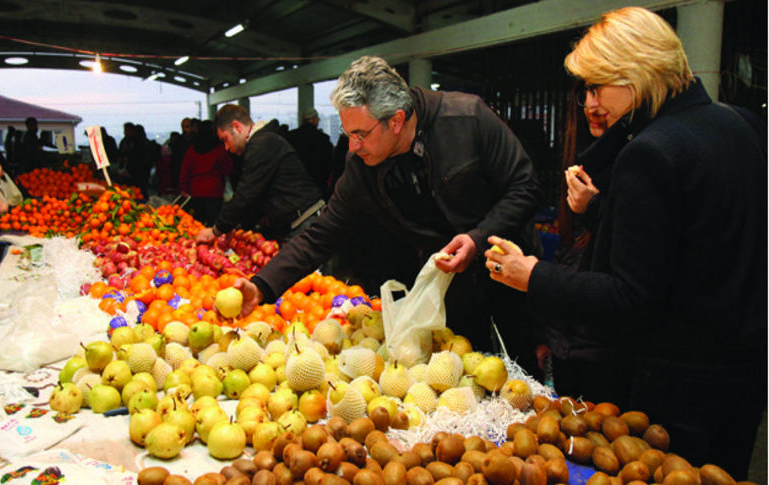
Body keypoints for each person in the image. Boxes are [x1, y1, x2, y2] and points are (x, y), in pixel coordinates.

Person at [486, 7, 766, 479]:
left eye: (598, 86)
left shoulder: (651, 151)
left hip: (680, 382)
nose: (593, 102)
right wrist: (602, 210)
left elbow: (630, 298)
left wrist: (533, 276)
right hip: (744, 370)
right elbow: (699, 237)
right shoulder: (736, 124)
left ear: (633, 74)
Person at [232, 56, 543, 364]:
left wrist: (477, 238)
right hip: (448, 287)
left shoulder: (466, 117)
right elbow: (322, 234)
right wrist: (262, 284)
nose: (352, 146)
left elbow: (526, 187)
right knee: (466, 371)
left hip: (510, 271)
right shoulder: (362, 168)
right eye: (347, 133)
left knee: (524, 368)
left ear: (396, 121)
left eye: (360, 134)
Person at [534, 80, 630, 405]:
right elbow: (567, 251)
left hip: (612, 352)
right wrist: (551, 337)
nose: (591, 105)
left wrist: (593, 209)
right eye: (585, 93)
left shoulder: (640, 161)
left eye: (600, 91)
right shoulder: (583, 157)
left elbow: (626, 276)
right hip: (572, 345)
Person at [195, 104, 324, 245]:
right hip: (301, 222)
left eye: (225, 139)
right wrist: (234, 224)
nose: (226, 148)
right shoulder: (262, 142)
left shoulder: (261, 145)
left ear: (237, 127)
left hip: (307, 222)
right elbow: (254, 197)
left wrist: (216, 230)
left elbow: (246, 193)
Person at [179, 120, 233, 226]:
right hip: (214, 192)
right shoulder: (219, 150)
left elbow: (184, 172)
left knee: (197, 224)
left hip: (195, 192)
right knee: (213, 223)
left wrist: (183, 188)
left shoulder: (191, 150)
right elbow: (228, 169)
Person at [285, 108, 335, 199]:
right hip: (317, 187)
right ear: (314, 120)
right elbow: (329, 165)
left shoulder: (291, 137)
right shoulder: (323, 139)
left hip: (295, 187)